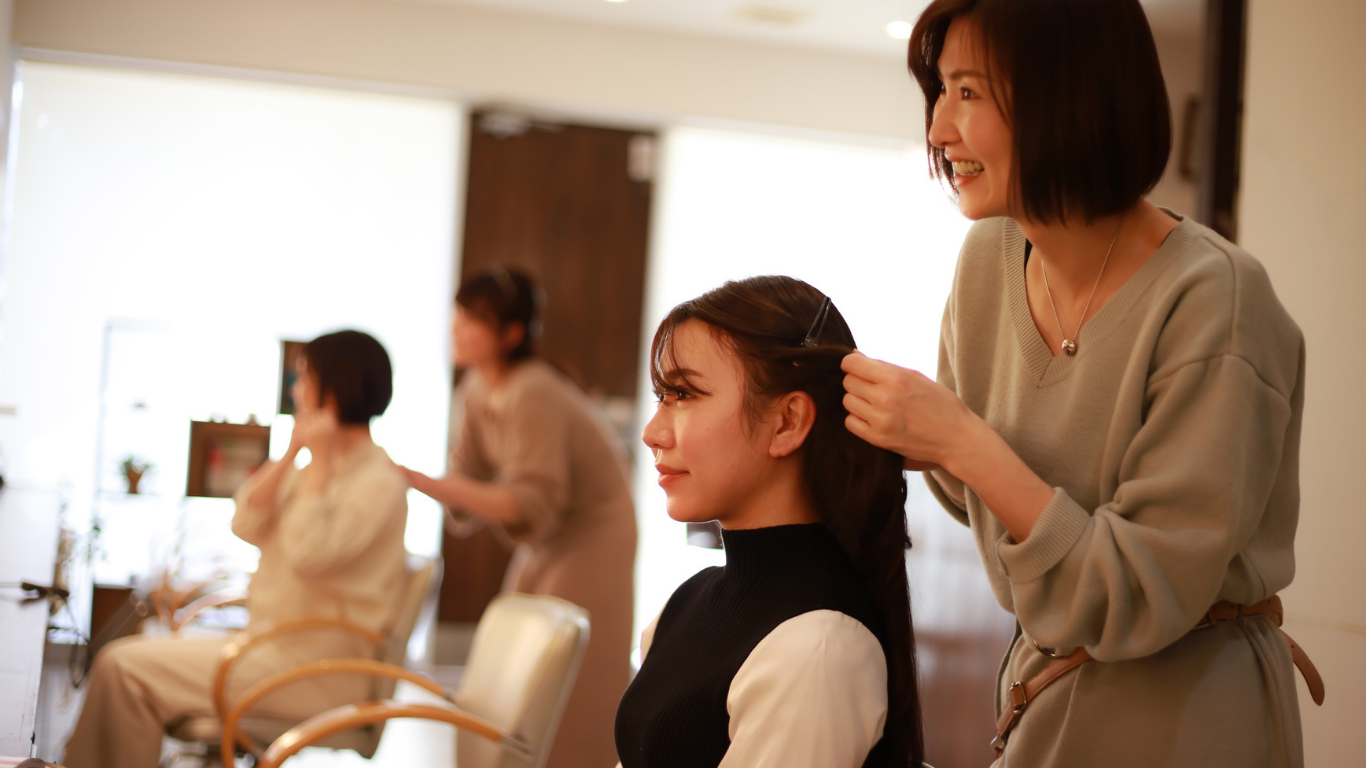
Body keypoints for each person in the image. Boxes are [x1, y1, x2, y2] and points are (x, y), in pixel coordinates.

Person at [839, 1, 1318, 765]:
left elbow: (1141, 594)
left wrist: (961, 439)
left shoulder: (1215, 301)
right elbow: (981, 499)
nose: (937, 129)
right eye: (940, 90)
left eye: (969, 92)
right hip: (1045, 699)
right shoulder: (988, 258)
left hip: (1187, 720)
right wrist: (910, 438)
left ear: (1068, 94)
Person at [615, 276, 924, 768]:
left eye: (684, 394)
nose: (653, 432)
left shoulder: (819, 646)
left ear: (787, 422)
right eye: (661, 395)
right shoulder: (688, 602)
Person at [64, 330, 410, 768]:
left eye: (304, 378)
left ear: (334, 391)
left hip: (316, 670)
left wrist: (316, 462)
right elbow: (245, 521)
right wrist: (292, 453)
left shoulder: (378, 483)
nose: (295, 390)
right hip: (272, 651)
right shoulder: (316, 469)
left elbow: (309, 554)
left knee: (124, 669)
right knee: (121, 663)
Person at [400, 267, 637, 768]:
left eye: (473, 319)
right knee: (515, 649)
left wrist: (422, 481)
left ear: (510, 334)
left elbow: (527, 504)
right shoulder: (477, 390)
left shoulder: (533, 391)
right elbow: (466, 487)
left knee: (572, 663)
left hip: (596, 527)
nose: (457, 327)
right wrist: (433, 486)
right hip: (551, 534)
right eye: (459, 314)